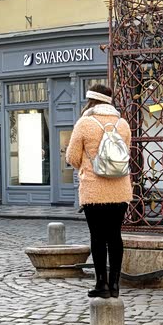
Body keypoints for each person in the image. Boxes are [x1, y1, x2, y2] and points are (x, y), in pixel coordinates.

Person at [66, 84, 132, 299]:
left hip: (93, 190)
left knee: (97, 236)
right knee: (115, 236)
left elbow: (72, 157)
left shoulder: (85, 123)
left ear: (91, 100)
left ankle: (101, 283)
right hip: (120, 189)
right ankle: (115, 285)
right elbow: (125, 154)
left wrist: (88, 165)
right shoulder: (123, 124)